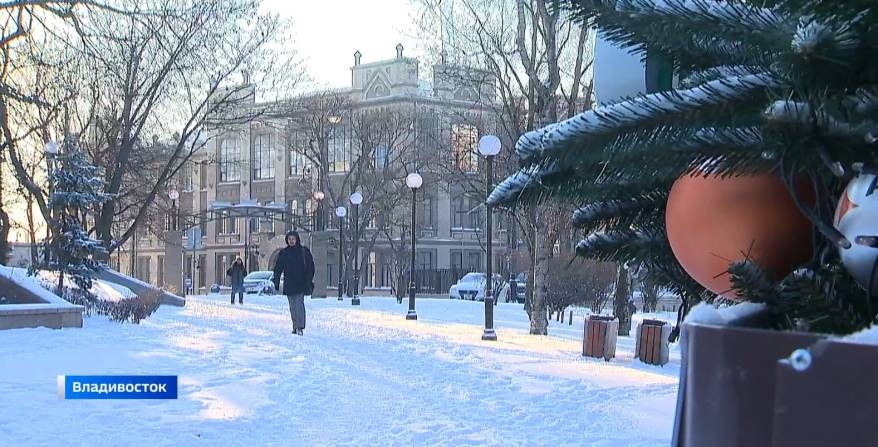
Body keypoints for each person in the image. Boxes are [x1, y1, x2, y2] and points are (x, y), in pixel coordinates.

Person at [273, 230, 315, 335]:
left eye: (293, 239)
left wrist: (308, 280)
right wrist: (276, 280)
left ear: (297, 240)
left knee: (299, 305)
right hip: (289, 284)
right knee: (292, 306)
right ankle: (295, 325)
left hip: (301, 283)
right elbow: (278, 268)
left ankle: (300, 327)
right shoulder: (284, 253)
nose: (291, 241)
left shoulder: (303, 251)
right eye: (289, 239)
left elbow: (310, 267)